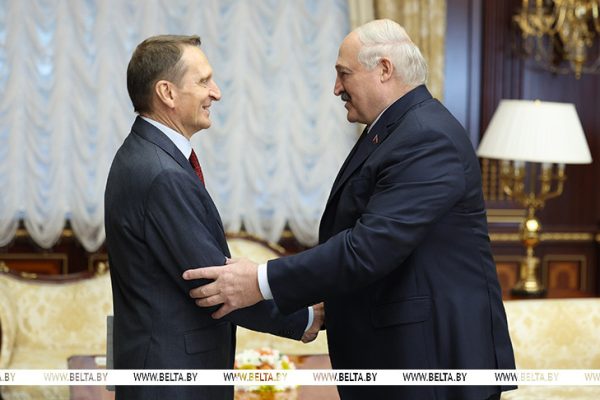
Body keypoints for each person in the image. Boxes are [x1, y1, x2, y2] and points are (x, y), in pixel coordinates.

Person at [183, 20, 516, 400]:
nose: (336, 88)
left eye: (344, 74)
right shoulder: (396, 129)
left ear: (384, 69)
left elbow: (368, 247)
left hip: (431, 363)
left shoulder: (426, 135)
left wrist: (260, 280)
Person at [104, 35, 321, 400]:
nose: (216, 93)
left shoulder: (144, 154)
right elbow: (215, 286)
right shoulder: (162, 174)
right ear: (167, 93)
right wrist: (308, 317)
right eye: (204, 81)